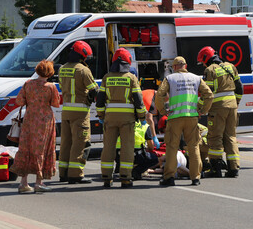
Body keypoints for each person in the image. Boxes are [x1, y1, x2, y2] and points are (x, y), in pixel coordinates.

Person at [155, 56, 213, 186]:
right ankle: (195, 177)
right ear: (185, 66)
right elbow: (209, 95)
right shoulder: (196, 78)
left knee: (171, 147)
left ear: (174, 67)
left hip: (175, 118)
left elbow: (159, 95)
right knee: (193, 147)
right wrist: (202, 110)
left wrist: (163, 111)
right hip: (191, 118)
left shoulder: (170, 78)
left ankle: (169, 177)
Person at [96, 48, 146, 188]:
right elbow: (138, 99)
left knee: (108, 147)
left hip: (110, 118)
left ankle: (106, 177)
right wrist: (142, 117)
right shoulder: (131, 78)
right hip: (127, 119)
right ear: (128, 61)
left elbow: (100, 100)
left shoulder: (107, 77)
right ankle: (125, 178)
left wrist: (101, 115)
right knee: (127, 148)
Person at [11, 60, 60, 193]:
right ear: (50, 73)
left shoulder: (28, 84)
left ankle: (23, 183)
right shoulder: (51, 87)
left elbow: (19, 101)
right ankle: (39, 182)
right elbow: (56, 103)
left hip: (30, 119)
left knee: (26, 148)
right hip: (44, 121)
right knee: (42, 149)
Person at [197, 46, 243, 178]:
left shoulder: (209, 70)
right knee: (231, 137)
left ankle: (215, 168)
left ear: (206, 59)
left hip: (217, 110)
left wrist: (200, 108)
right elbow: (240, 87)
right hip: (232, 107)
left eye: (203, 62)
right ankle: (233, 168)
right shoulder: (230, 66)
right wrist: (236, 103)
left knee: (215, 137)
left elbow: (207, 93)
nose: (203, 65)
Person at [58, 41, 98, 184]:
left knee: (66, 143)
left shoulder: (62, 69)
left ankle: (63, 173)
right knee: (80, 143)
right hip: (80, 113)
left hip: (66, 111)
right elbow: (94, 90)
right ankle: (75, 174)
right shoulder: (83, 70)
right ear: (83, 55)